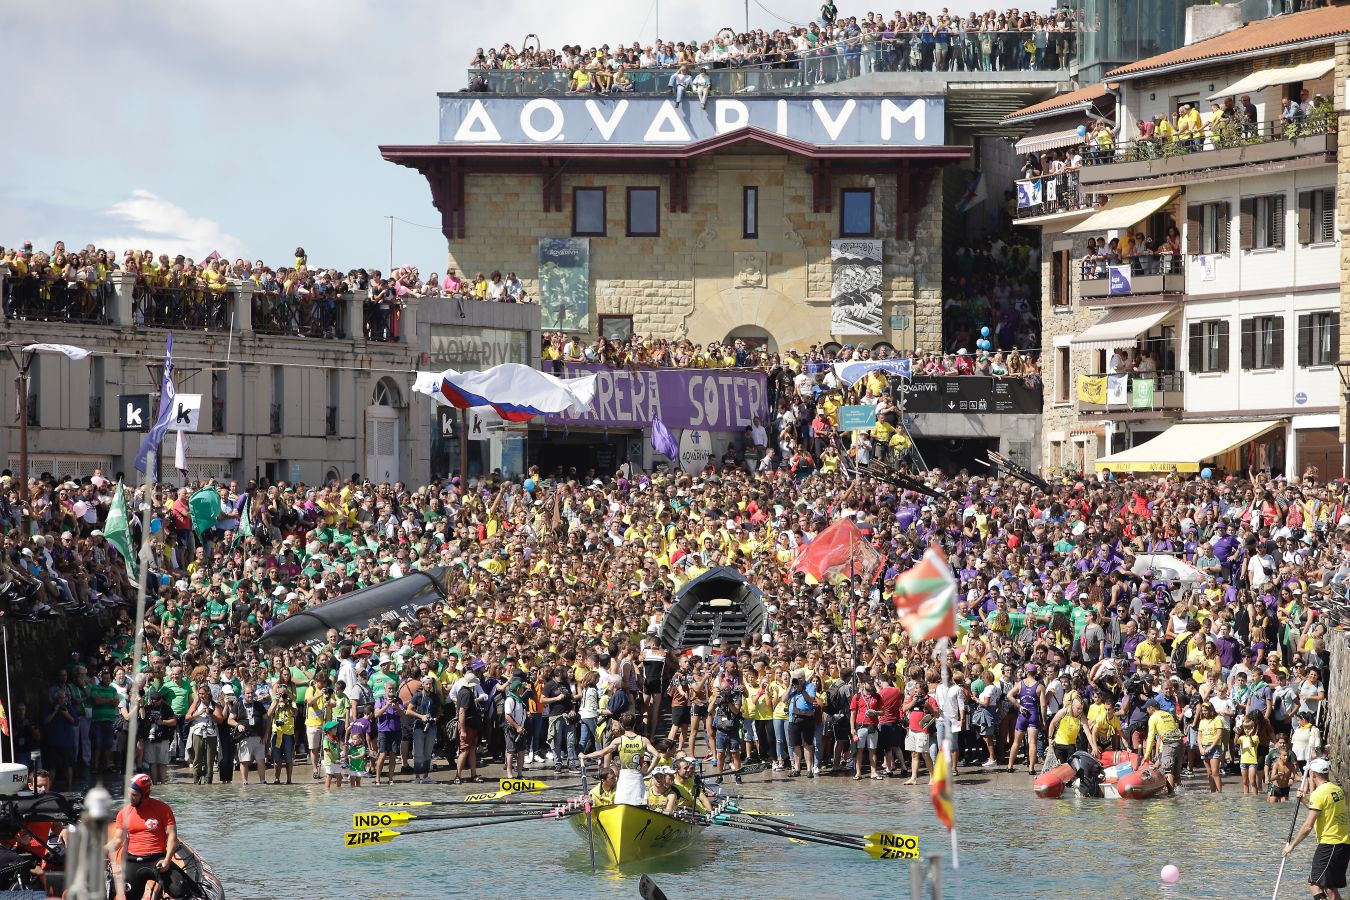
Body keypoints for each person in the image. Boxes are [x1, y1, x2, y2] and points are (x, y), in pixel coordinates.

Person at [1284, 758, 1350, 900]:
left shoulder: (1319, 794)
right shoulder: (1337, 789)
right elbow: (1321, 809)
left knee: (1315, 885)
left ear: (1313, 775)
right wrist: (1304, 800)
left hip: (1330, 844)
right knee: (1331, 889)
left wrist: (1291, 846)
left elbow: (1308, 826)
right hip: (1343, 843)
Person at [107, 774, 177, 900]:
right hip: (133, 861)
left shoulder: (163, 809)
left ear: (145, 794)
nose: (130, 798)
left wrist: (167, 860)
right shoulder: (124, 813)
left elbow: (172, 836)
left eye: (134, 795)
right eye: (128, 794)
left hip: (157, 860)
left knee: (178, 890)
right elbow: (117, 840)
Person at [582, 711, 657, 806]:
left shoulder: (618, 740)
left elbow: (602, 753)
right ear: (634, 724)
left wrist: (585, 756)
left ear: (621, 725)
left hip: (624, 777)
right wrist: (648, 771)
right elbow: (657, 755)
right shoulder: (643, 740)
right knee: (639, 804)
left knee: (621, 804)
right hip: (638, 776)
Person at [1142, 698, 1185, 796]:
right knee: (1176, 771)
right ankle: (1181, 794)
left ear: (1151, 708)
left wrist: (1146, 755)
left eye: (1147, 709)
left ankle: (1171, 795)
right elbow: (1174, 727)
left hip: (1169, 743)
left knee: (1168, 770)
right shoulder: (1167, 714)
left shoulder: (1153, 718)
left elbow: (1151, 737)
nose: (1146, 711)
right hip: (1180, 742)